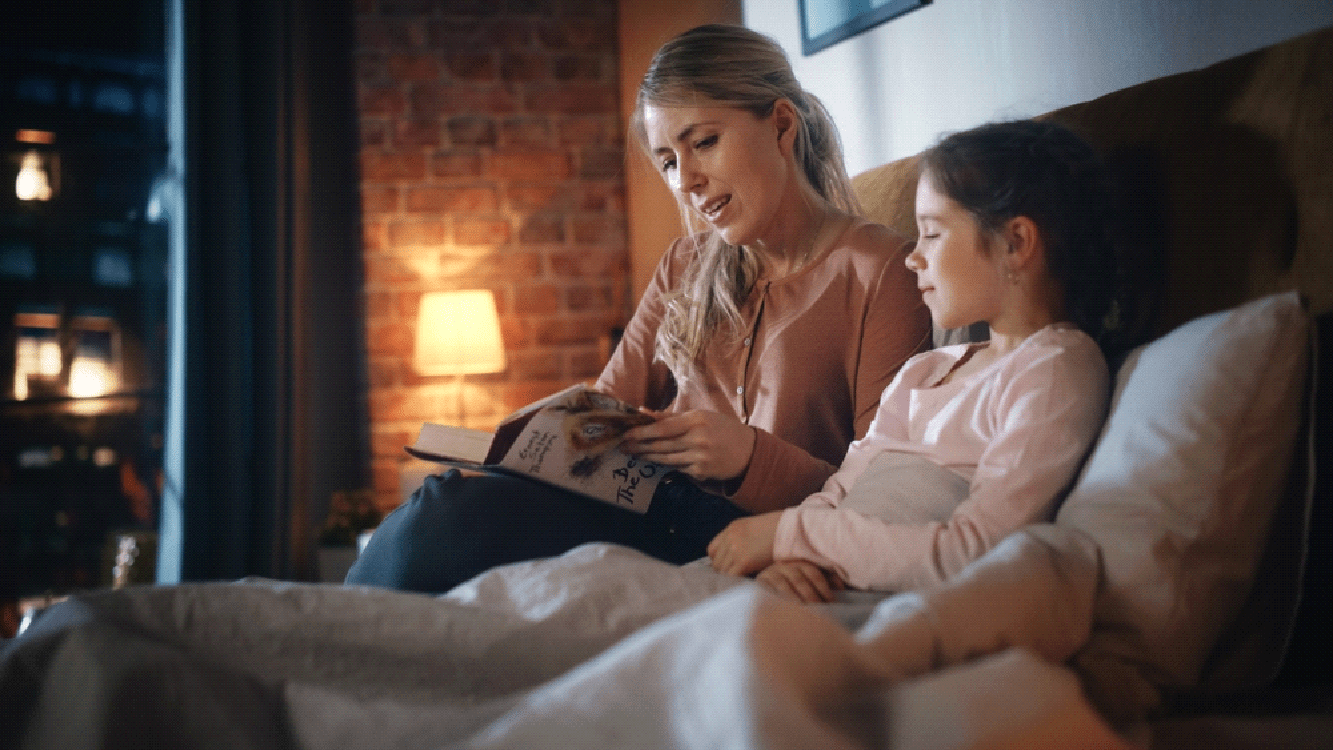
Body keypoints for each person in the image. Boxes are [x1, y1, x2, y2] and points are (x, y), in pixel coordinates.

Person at [345, 24, 931, 594]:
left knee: (447, 518)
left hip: (728, 528)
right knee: (443, 500)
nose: (686, 182)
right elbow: (608, 403)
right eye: (669, 161)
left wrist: (748, 455)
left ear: (781, 125)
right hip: (645, 504)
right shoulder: (686, 262)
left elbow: (884, 491)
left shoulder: (883, 272)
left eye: (703, 142)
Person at [707, 119, 1119, 604]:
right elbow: (841, 489)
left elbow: (976, 553)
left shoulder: (1054, 370)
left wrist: (786, 536)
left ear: (1015, 243)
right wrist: (791, 562)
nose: (912, 259)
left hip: (895, 599)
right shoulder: (925, 370)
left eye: (932, 234)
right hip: (824, 577)